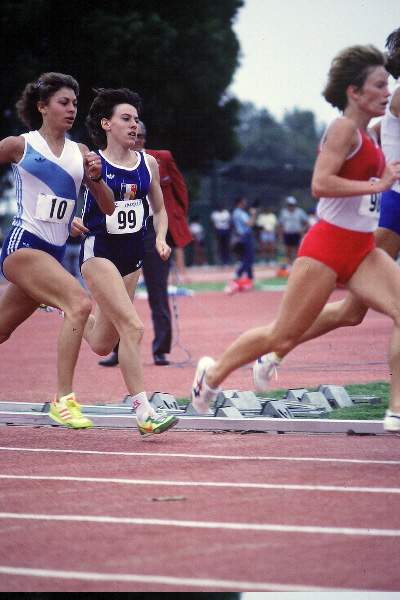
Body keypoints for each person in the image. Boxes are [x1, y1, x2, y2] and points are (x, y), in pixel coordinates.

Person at [190, 44, 400, 434]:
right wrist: (380, 182)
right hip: (327, 247)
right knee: (281, 334)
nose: (387, 91)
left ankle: (397, 409)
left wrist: (380, 176)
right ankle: (212, 373)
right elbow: (320, 184)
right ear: (354, 91)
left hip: (362, 249)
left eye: (388, 83)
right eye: (378, 84)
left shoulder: (370, 136)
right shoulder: (343, 129)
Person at [251, 29, 400, 434]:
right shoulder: (391, 102)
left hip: (370, 210)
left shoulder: (372, 117)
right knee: (351, 312)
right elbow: (323, 181)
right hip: (391, 208)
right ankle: (275, 350)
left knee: (353, 315)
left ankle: (278, 348)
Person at [0, 72, 115, 428]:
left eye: (75, 104)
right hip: (22, 248)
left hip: (49, 255)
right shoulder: (19, 145)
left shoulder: (81, 153)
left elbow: (108, 207)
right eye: (63, 102)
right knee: (79, 304)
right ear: (42, 106)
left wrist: (95, 178)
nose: (71, 109)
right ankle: (63, 400)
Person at [73, 87, 178, 437]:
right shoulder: (93, 163)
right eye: (126, 119)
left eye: (136, 119)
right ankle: (144, 411)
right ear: (106, 124)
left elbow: (159, 209)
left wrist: (160, 238)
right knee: (133, 328)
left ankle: (65, 308)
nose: (134, 125)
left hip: (132, 257)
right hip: (99, 252)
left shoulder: (148, 162)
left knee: (103, 341)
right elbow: (61, 193)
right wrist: (69, 219)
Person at [98, 119, 193, 367]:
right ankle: (118, 349)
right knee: (119, 293)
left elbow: (180, 191)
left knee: (158, 292)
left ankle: (161, 349)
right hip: (122, 232)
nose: (136, 139)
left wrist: (176, 222)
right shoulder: (110, 160)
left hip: (152, 230)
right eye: (133, 135)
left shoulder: (157, 159)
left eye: (141, 136)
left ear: (145, 139)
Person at [225, 196, 257, 294]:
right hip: (246, 236)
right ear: (238, 203)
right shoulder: (241, 213)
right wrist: (253, 215)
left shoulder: (234, 213)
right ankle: (237, 275)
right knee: (248, 258)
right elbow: (250, 224)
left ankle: (250, 278)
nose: (245, 204)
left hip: (240, 236)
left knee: (246, 258)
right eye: (243, 203)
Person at [277, 196, 308, 267]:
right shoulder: (284, 212)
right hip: (287, 233)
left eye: (292, 204)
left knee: (297, 250)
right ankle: (289, 265)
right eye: (289, 204)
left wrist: (302, 229)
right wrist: (280, 235)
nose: (290, 206)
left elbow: (306, 222)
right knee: (288, 251)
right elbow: (281, 224)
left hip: (296, 233)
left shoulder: (300, 212)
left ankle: (298, 265)